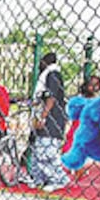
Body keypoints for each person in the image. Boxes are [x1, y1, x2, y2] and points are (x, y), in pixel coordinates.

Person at [30, 52, 70, 192]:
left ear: (45, 62)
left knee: (47, 151)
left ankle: (59, 179)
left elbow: (51, 98)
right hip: (46, 117)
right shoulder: (47, 76)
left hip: (52, 119)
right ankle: (39, 178)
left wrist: (43, 116)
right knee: (37, 150)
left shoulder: (52, 75)